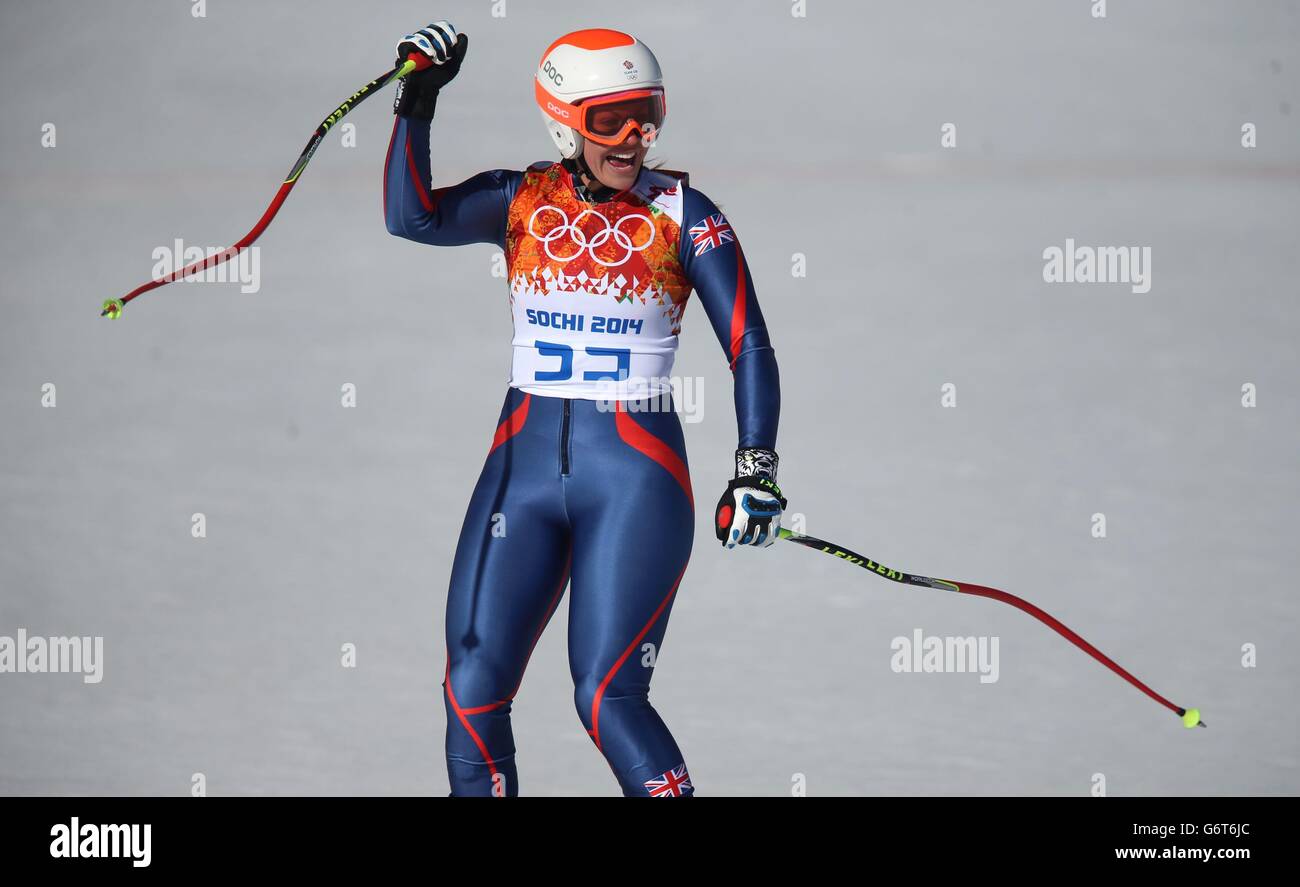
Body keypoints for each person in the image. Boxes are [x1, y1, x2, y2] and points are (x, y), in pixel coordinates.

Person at [384, 22, 785, 797]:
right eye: (611, 119)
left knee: (606, 696)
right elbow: (413, 217)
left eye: (649, 112)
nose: (635, 137)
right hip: (522, 476)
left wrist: (756, 464)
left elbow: (750, 346)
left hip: (635, 481)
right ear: (562, 122)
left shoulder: (683, 213)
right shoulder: (520, 199)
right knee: (471, 687)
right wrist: (419, 99)